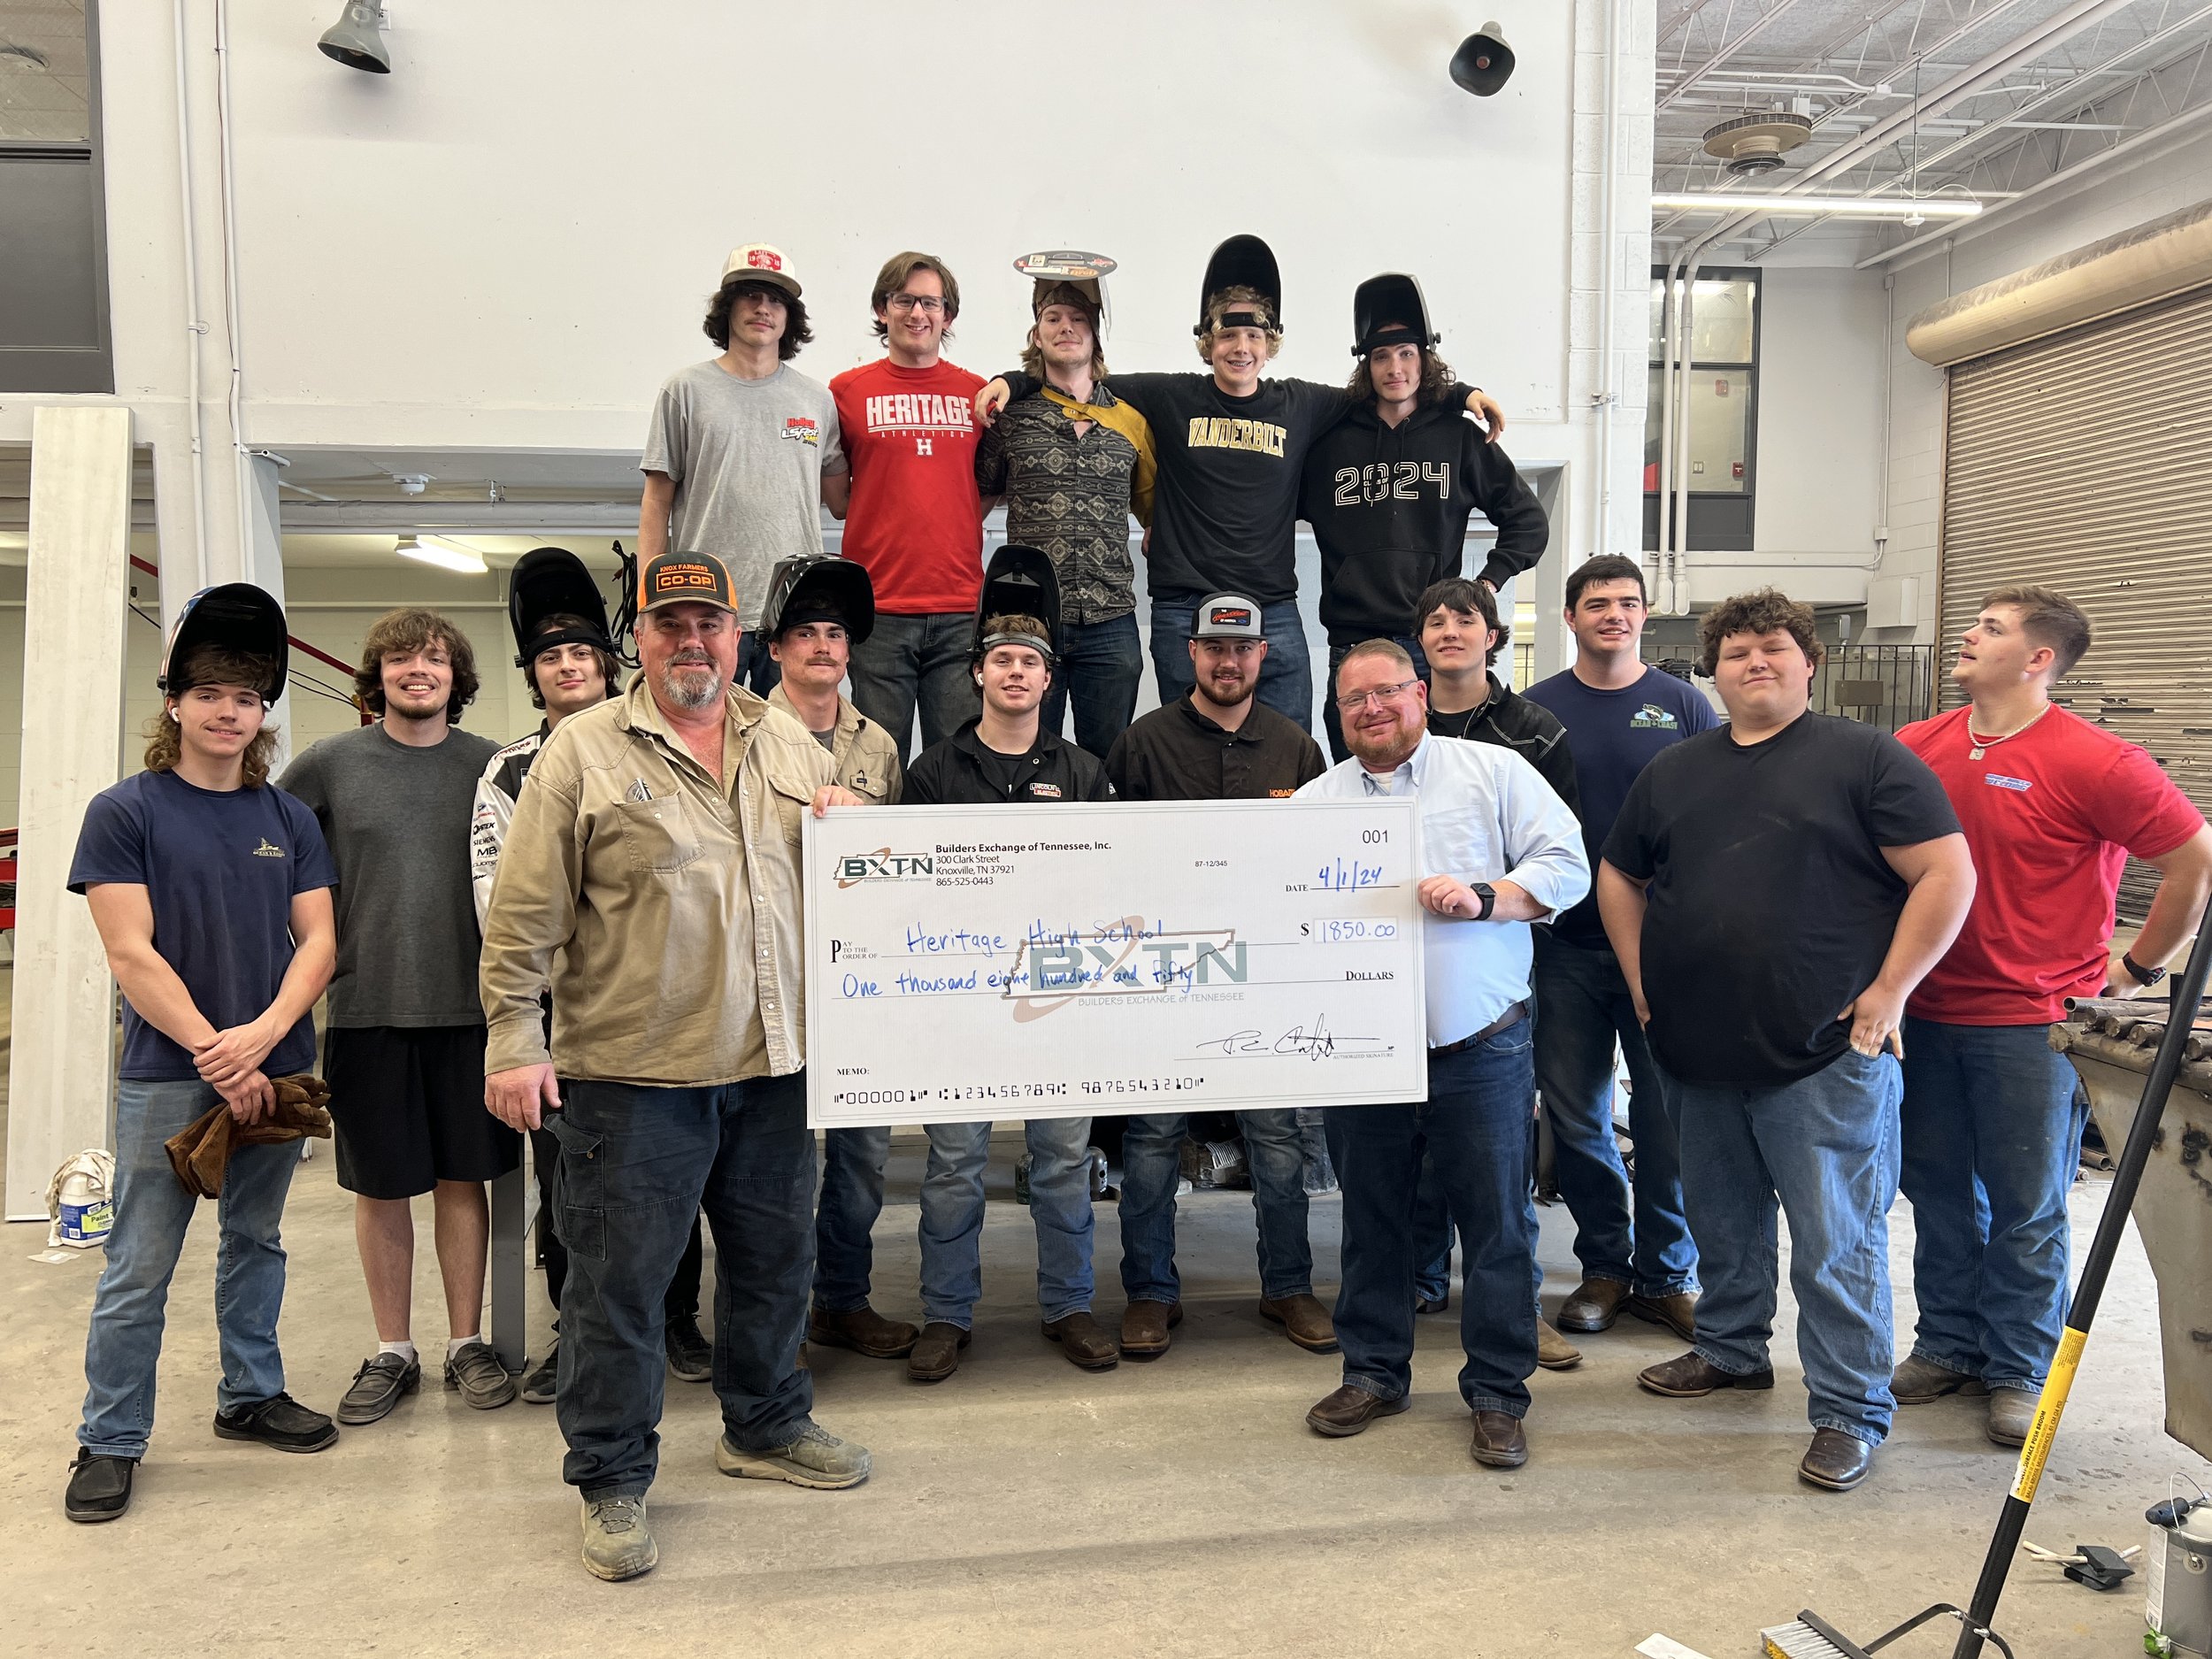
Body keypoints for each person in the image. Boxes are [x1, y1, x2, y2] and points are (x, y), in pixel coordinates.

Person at [480, 549, 869, 1582]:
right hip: (633, 1074)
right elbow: (524, 914)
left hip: (773, 1067)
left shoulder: (787, 738)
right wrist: (514, 1041)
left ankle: (765, 1425)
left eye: (709, 624)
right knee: (618, 1288)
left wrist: (855, 835)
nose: (691, 642)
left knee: (776, 1265)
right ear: (639, 640)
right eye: (669, 625)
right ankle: (610, 1477)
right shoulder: (583, 754)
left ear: (737, 635)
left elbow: (846, 889)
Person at [1597, 588, 1975, 1493]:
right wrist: (1643, 984)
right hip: (1695, 1050)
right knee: (1722, 1224)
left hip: (1823, 1055)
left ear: (1809, 662)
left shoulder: (1866, 759)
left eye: (1771, 648)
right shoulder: (1676, 769)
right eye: (1734, 653)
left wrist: (1889, 994)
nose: (1753, 663)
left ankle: (1849, 1409)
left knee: (1833, 1242)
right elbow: (1619, 875)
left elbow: (1945, 874)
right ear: (1713, 671)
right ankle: (1730, 1351)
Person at [1893, 586, 2212, 1447]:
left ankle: (2018, 1367)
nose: (1967, 635)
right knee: (1935, 1191)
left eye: (1990, 630)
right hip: (1923, 1010)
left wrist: (2136, 966)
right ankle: (1949, 1342)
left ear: (2040, 659)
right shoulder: (1915, 749)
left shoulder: (2098, 761)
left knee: (2026, 1203)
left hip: (2029, 1024)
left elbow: (2193, 862)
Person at [978, 235, 1508, 730]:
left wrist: (1460, 394)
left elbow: (1390, 381)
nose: (1240, 347)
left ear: (1270, 343)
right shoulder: (1171, 397)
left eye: (1253, 335)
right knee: (1186, 747)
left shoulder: (1302, 403)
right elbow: (1077, 373)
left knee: (1290, 745)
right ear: (1207, 344)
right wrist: (1014, 379)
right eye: (1227, 335)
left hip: (1272, 608)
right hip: (1184, 607)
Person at [62, 587, 340, 1524]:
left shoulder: (288, 819)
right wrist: (219, 1054)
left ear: (264, 714)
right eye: (212, 693)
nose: (230, 712)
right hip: (167, 1076)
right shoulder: (125, 811)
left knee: (256, 1241)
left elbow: (319, 945)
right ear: (175, 701)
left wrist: (263, 1037)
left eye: (248, 697)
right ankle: (109, 1438)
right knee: (140, 1261)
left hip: (279, 1067)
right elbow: (129, 950)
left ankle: (249, 1395)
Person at [1295, 643, 1587, 1469]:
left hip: (1482, 1047)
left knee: (1497, 1224)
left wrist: (1485, 898)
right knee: (1373, 1221)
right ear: (1339, 712)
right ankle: (1375, 1372)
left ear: (1418, 694)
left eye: (1386, 692)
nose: (1371, 710)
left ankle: (1498, 1392)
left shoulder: (1491, 773)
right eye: (1354, 700)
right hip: (1361, 1054)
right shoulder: (1314, 804)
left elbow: (1567, 866)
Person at [469, 550, 710, 1403]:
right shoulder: (509, 769)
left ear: (609, 662)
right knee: (574, 1194)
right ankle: (574, 1331)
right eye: (552, 658)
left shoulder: (677, 738)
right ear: (533, 674)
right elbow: (505, 899)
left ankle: (678, 1317)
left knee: (671, 1189)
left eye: (581, 655)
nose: (569, 667)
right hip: (566, 1019)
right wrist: (522, 1021)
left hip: (668, 1014)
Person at [280, 609, 516, 1424]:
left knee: (462, 1177)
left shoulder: (492, 766)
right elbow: (269, 851)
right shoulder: (329, 764)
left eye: (435, 657)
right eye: (401, 657)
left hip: (471, 1008)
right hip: (365, 1007)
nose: (419, 669)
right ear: (374, 674)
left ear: (458, 676)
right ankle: (393, 1350)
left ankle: (464, 1344)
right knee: (382, 1187)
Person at [900, 547, 1118, 1382]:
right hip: (959, 1004)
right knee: (954, 1164)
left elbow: (1109, 887)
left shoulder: (1083, 773)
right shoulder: (932, 773)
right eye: (1002, 660)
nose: (1016, 672)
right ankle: (946, 1315)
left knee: (1064, 1161)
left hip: (1058, 999)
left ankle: (1070, 1305)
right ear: (978, 674)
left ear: (1049, 679)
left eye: (1030, 661)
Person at [1102, 595, 1329, 1357]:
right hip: (1164, 984)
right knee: (1153, 1142)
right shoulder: (1142, 744)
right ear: (1190, 653)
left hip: (1264, 981)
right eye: (1212, 649)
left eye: (1242, 650)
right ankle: (1150, 1293)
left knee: (1278, 1143)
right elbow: (1107, 866)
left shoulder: (1296, 750)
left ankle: (1288, 1288)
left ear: (1264, 655)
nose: (1228, 663)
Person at [1523, 555, 1717, 1351]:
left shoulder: (1684, 706)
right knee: (1579, 1118)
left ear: (1645, 614)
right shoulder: (1537, 710)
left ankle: (1667, 1273)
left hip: (1663, 950)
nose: (1615, 614)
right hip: (1563, 948)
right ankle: (1604, 1264)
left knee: (1669, 1118)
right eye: (1597, 603)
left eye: (1629, 603)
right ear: (1569, 617)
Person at [1408, 575, 1583, 1372]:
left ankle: (1515, 1310)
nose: (1449, 630)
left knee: (1500, 1152)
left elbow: (1561, 853)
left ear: (1491, 635)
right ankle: (1417, 1284)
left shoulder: (1528, 731)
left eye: (1465, 619)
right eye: (1435, 621)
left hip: (1505, 964)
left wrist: (1491, 903)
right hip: (1403, 973)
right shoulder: (1384, 729)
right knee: (1412, 1150)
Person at [752, 555, 921, 1364]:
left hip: (856, 984)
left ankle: (842, 1302)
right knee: (776, 1168)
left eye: (835, 634)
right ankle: (774, 1324)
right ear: (777, 648)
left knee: (860, 1162)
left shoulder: (879, 744)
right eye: (805, 633)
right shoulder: (743, 735)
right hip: (768, 978)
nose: (823, 646)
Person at [1302, 273, 1548, 761]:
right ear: (1366, 366)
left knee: (1433, 784)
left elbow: (1528, 520)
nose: (1395, 368)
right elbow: (1264, 502)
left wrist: (1488, 585)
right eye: (1381, 356)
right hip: (1353, 645)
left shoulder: (1458, 440)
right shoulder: (1329, 442)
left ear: (1425, 359)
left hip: (1428, 646)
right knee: (1360, 780)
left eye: (1407, 354)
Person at [639, 243, 849, 693]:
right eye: (750, 295)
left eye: (776, 300)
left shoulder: (817, 400)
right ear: (727, 307)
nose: (763, 308)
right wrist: (650, 602)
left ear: (790, 316)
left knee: (792, 749)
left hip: (794, 613)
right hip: (707, 611)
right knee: (705, 741)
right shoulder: (685, 391)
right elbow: (656, 504)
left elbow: (844, 502)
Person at [973, 263, 1155, 758]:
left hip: (1111, 619)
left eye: (1078, 318)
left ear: (1096, 334)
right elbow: (976, 504)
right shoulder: (1009, 416)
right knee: (1023, 756)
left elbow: (1155, 507)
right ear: (1037, 332)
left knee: (1107, 762)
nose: (1066, 328)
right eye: (1053, 317)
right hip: (1027, 618)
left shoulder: (1131, 422)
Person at [830, 251, 996, 759]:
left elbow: (986, 487)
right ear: (883, 309)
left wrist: (950, 513)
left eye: (930, 302)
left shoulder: (978, 393)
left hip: (959, 607)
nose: (917, 313)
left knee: (960, 767)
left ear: (948, 316)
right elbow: (838, 502)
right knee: (879, 769)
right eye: (904, 300)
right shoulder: (845, 392)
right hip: (877, 610)